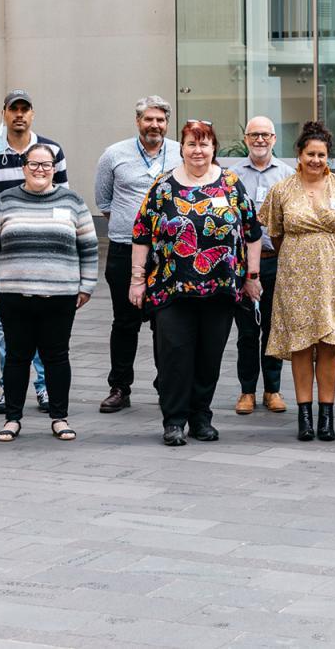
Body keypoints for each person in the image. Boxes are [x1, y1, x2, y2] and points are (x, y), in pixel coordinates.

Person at [131, 120, 263, 446]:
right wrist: (137, 280)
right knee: (175, 355)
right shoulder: (163, 187)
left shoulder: (231, 184)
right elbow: (141, 234)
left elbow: (252, 233)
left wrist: (252, 277)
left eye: (204, 144)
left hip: (221, 288)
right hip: (171, 287)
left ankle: (201, 418)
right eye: (192, 144)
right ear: (182, 148)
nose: (198, 150)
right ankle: (174, 421)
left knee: (209, 356)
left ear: (213, 148)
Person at [0, 142, 99, 444]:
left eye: (46, 165)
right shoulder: (4, 201)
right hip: (14, 297)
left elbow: (89, 247)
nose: (40, 170)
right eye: (34, 164)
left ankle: (59, 417)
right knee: (16, 358)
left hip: (60, 297)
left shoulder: (72, 201)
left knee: (57, 357)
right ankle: (13, 418)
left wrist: (86, 285)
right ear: (24, 167)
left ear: (55, 168)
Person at [261, 121, 335, 442]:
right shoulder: (282, 189)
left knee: (330, 344)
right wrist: (298, 254)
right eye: (310, 154)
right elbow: (275, 233)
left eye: (321, 155)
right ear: (299, 155)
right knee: (302, 345)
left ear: (328, 157)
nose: (316, 160)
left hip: (333, 275)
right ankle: (304, 415)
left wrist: (331, 255)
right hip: (295, 276)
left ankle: (326, 414)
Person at [0, 89, 67, 414]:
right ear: (4, 113)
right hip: (7, 259)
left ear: (32, 113)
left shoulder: (52, 150)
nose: (19, 115)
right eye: (13, 109)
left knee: (45, 329)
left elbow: (64, 201)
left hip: (46, 258)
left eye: (24, 109)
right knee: (6, 330)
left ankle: (43, 389)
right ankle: (8, 389)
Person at [94, 95, 181, 413]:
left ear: (166, 123)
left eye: (160, 120)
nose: (154, 125)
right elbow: (104, 201)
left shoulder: (180, 152)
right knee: (125, 322)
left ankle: (166, 384)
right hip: (123, 249)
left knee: (166, 322)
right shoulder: (114, 154)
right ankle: (119, 387)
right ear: (138, 121)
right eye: (148, 119)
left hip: (168, 253)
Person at [229, 116, 294, 414]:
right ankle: (246, 391)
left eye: (265, 135)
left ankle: (273, 390)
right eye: (254, 135)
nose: (259, 140)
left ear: (274, 139)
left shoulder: (288, 174)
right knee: (246, 332)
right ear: (246, 139)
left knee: (273, 330)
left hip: (276, 262)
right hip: (242, 265)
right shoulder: (231, 176)